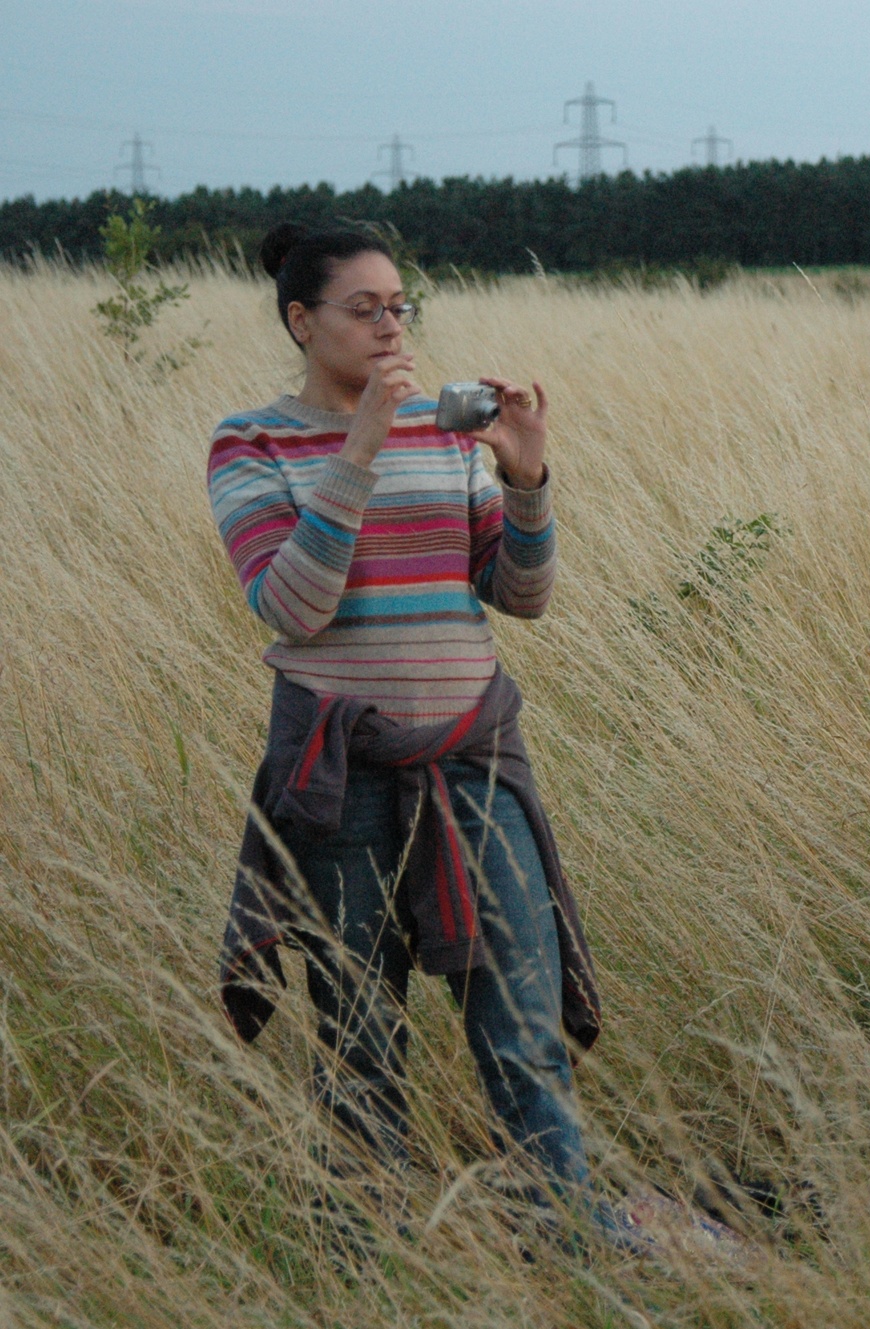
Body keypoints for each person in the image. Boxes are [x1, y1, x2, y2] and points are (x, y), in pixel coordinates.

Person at [209, 224, 692, 1252]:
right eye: (364, 309)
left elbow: (521, 595)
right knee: (358, 1032)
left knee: (520, 1018)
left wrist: (525, 480)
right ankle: (367, 1247)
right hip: (340, 776)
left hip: (471, 759)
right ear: (301, 321)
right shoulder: (250, 444)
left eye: (400, 306)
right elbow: (292, 606)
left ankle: (564, 1235)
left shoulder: (442, 431)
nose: (391, 326)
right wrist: (361, 448)